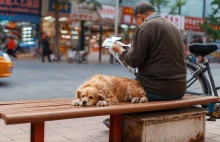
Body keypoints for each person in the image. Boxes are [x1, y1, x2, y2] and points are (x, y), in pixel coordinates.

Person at [103, 1, 186, 127]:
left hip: (157, 90)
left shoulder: (146, 27)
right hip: (180, 89)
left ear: (140, 17)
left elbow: (134, 61)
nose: (137, 24)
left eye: (136, 21)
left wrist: (119, 50)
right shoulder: (175, 28)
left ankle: (119, 121)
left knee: (121, 88)